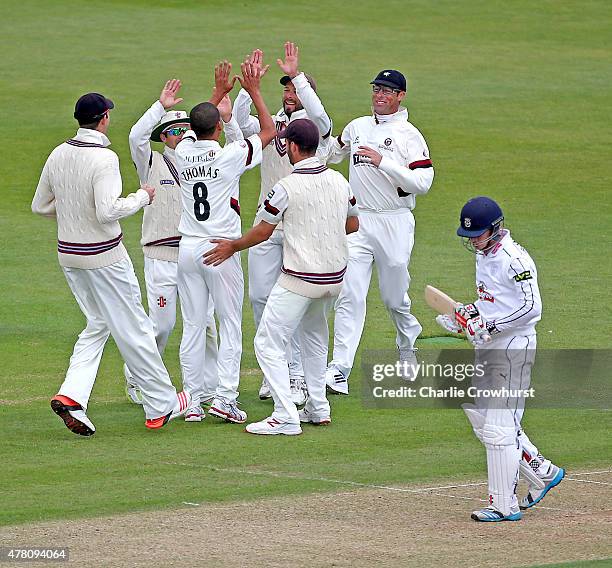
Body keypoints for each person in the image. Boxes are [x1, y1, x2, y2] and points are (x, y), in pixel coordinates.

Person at [32, 92, 191, 435]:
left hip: (69, 256)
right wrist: (141, 197)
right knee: (133, 326)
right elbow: (106, 211)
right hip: (104, 256)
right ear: (104, 118)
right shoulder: (104, 159)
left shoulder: (58, 153)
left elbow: (40, 205)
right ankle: (161, 403)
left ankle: (72, 395)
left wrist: (74, 210)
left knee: (98, 324)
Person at [204, 119, 359, 435]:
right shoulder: (339, 181)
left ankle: (284, 413)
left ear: (294, 146)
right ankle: (317, 407)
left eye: (287, 142)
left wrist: (233, 246)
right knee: (314, 337)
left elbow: (263, 231)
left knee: (267, 341)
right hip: (334, 279)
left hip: (301, 279)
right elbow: (353, 225)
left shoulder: (286, 186)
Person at [437, 196, 564, 522]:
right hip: (491, 345)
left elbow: (531, 308)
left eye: (478, 234)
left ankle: (503, 505)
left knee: (498, 427)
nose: (473, 241)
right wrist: (467, 315)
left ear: (495, 228)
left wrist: (491, 325)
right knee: (481, 415)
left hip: (513, 346)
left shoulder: (514, 259)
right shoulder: (485, 255)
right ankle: (541, 470)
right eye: (469, 236)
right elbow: (492, 300)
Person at [174, 61, 276, 425]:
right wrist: (254, 91)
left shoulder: (182, 151)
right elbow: (267, 131)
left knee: (193, 324)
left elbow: (194, 123)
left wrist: (218, 92)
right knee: (230, 323)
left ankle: (192, 400)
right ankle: (226, 399)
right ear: (219, 127)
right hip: (220, 248)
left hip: (186, 248)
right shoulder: (229, 155)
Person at [233, 43, 333, 405]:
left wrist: (298, 75)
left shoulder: (315, 130)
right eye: (286, 89)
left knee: (299, 303)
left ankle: (302, 377)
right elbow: (237, 127)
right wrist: (248, 90)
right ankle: (278, 372)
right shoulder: (271, 123)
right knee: (261, 296)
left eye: (293, 89)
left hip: (301, 227)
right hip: (267, 220)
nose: (289, 94)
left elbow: (320, 116)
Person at [324, 69, 434, 394]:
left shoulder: (409, 135)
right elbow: (332, 153)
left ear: (401, 96)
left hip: (394, 221)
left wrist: (382, 161)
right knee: (349, 294)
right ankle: (339, 370)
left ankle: (407, 346)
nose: (380, 95)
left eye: (387, 90)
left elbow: (423, 183)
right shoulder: (357, 127)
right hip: (358, 222)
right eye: (376, 89)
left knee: (394, 298)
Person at [125, 79, 227, 423]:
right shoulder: (151, 162)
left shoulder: (197, 161)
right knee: (163, 326)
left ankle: (208, 390)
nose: (182, 133)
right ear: (165, 135)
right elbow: (135, 137)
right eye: (174, 129)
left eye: (186, 128)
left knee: (207, 325)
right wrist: (160, 105)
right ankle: (138, 378)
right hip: (160, 256)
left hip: (193, 253)